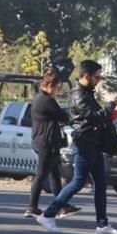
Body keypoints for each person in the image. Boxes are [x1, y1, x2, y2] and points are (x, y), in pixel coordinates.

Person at [34, 60, 117, 234]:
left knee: (100, 183)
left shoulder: (88, 93)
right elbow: (91, 116)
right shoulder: (78, 94)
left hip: (94, 143)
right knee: (78, 182)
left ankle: (102, 224)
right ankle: (48, 214)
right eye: (97, 77)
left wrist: (110, 115)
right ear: (86, 76)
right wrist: (110, 107)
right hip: (84, 143)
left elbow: (98, 117)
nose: (99, 80)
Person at [25, 68, 79, 218]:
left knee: (54, 175)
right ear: (51, 86)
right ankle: (32, 207)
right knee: (41, 174)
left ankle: (61, 206)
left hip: (43, 140)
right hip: (46, 142)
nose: (58, 91)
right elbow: (63, 116)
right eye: (58, 88)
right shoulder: (46, 100)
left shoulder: (39, 98)